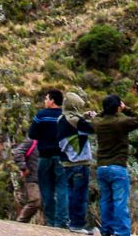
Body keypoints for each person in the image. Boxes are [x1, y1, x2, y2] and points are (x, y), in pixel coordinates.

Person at [93, 94, 138, 236]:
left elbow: (96, 116)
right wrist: (125, 108)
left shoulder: (98, 123)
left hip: (101, 167)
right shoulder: (121, 123)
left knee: (105, 200)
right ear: (117, 108)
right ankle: (121, 232)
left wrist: (106, 110)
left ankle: (107, 230)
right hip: (117, 167)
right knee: (120, 201)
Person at [58, 92, 97, 235]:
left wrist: (84, 116)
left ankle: (70, 221)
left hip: (67, 162)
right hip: (79, 161)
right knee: (80, 195)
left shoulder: (62, 118)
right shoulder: (75, 120)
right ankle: (77, 224)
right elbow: (93, 129)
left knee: (71, 193)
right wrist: (94, 118)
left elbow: (76, 124)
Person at [29, 88, 68, 228]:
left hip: (44, 156)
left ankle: (50, 221)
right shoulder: (65, 116)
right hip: (61, 156)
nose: (45, 101)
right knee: (62, 187)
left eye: (46, 98)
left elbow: (32, 134)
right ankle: (62, 221)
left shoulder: (41, 115)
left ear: (52, 101)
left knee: (46, 189)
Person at [12, 137, 42, 223]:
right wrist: (24, 168)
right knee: (35, 201)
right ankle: (21, 221)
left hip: (47, 179)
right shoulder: (32, 141)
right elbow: (18, 152)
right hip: (32, 178)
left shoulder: (52, 141)